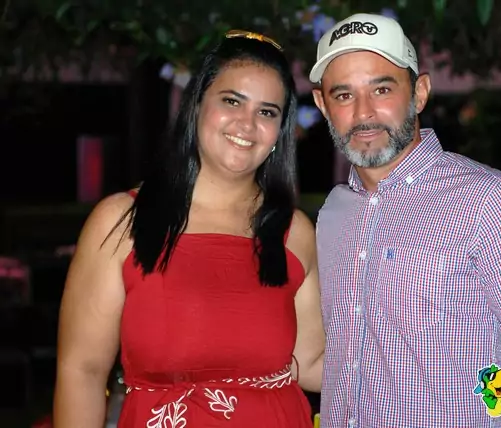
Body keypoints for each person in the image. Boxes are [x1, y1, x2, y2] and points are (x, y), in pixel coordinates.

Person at [309, 13, 501, 428]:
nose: (363, 113)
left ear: (419, 93)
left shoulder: (489, 202)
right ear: (322, 105)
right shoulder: (333, 214)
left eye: (382, 89)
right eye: (343, 95)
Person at [54, 30, 325, 428]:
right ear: (197, 105)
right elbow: (82, 371)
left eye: (267, 112)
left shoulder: (293, 231)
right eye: (232, 101)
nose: (247, 123)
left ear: (279, 132)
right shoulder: (121, 222)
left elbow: (311, 363)